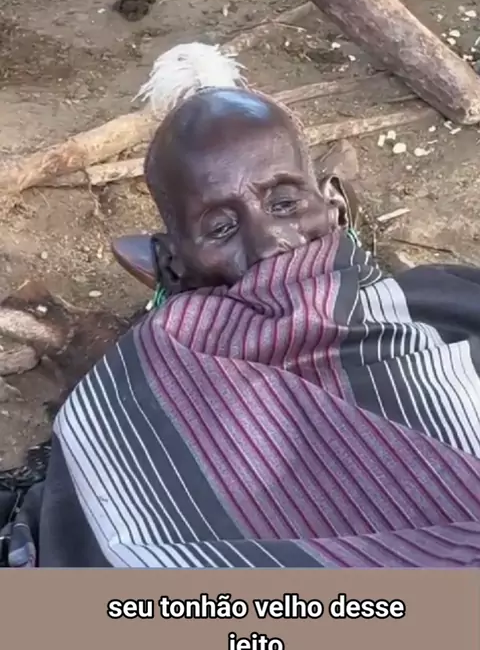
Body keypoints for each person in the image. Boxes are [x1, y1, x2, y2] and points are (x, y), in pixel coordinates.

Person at [1, 45, 480, 569]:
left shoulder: (449, 301)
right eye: (222, 227)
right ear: (173, 262)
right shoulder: (140, 387)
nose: (270, 243)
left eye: (285, 203)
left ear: (335, 206)